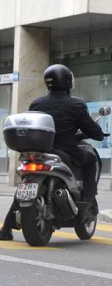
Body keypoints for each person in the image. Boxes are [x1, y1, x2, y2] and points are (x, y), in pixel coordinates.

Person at [0, 64, 104, 241]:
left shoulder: (37, 103)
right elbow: (91, 129)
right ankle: (88, 199)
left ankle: (6, 228)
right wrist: (98, 133)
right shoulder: (76, 104)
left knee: (23, 189)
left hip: (40, 150)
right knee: (91, 159)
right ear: (68, 81)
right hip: (66, 152)